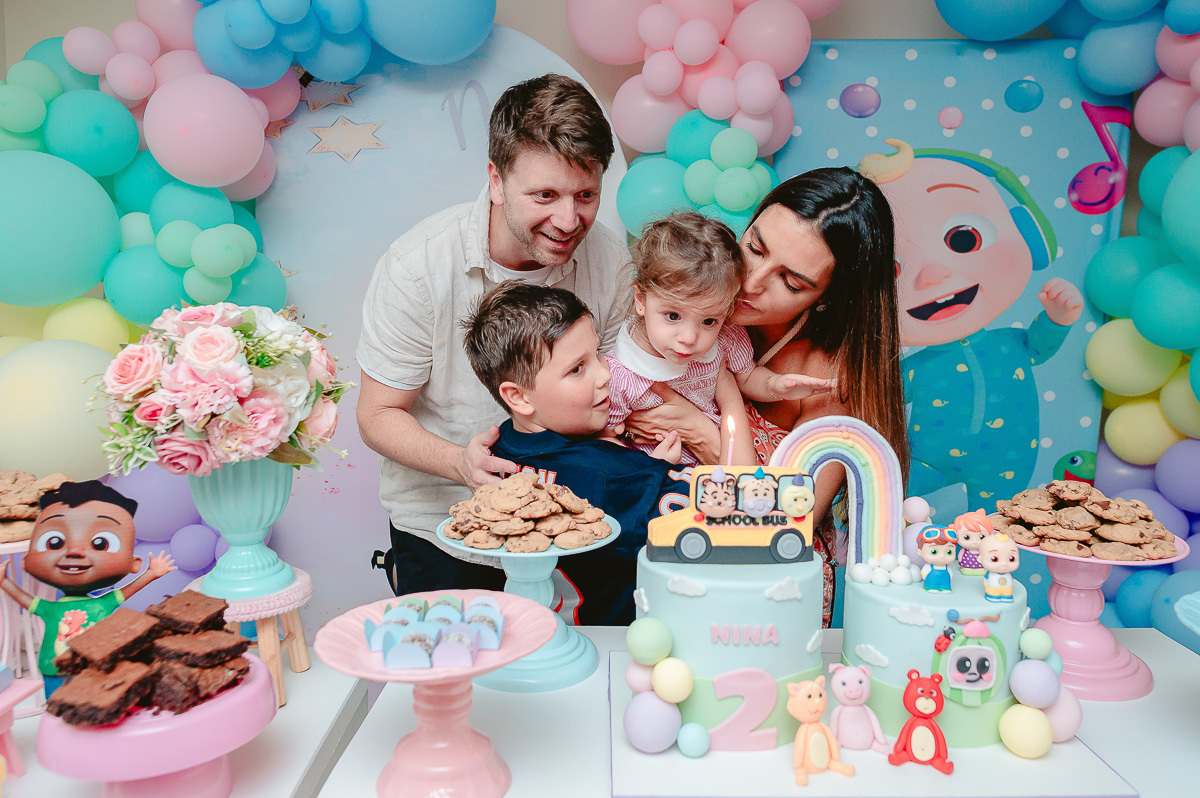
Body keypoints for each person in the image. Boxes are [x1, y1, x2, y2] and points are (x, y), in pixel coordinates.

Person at [356, 74, 629, 596]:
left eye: (586, 195)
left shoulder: (611, 261)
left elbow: (614, 391)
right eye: (545, 195)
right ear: (497, 181)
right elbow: (377, 415)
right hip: (443, 528)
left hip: (573, 525)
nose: (569, 220)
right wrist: (460, 462)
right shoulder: (417, 268)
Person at [620, 167, 911, 625]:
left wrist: (702, 433)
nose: (751, 282)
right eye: (753, 247)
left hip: (764, 594)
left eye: (791, 282)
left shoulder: (832, 378)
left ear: (828, 298)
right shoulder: (699, 308)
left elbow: (791, 519)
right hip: (668, 554)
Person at [460, 281, 722, 625]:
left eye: (598, 354)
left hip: (542, 625)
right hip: (612, 639)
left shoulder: (498, 450)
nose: (605, 373)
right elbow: (718, 514)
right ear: (519, 398)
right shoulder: (615, 473)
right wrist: (652, 469)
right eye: (577, 369)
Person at [859, 139, 1082, 506]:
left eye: (964, 238)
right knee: (884, 501)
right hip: (926, 459)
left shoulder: (1012, 343)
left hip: (1007, 464)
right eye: (890, 270)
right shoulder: (912, 369)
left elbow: (1040, 346)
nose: (931, 276)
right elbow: (879, 394)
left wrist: (1057, 319)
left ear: (1031, 235)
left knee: (998, 535)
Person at [604, 212, 835, 467]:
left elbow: (747, 376)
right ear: (641, 300)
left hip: (723, 465)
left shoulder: (724, 337)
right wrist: (646, 467)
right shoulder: (618, 377)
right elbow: (604, 444)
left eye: (709, 321)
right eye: (672, 316)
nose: (690, 338)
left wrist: (777, 384)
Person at [0, 480, 175, 696]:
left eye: (100, 543)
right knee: (57, 707)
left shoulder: (104, 603)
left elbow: (128, 590)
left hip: (98, 668)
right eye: (54, 542)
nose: (75, 551)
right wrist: (4, 582)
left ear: (134, 563)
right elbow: (26, 601)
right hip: (54, 668)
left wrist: (151, 573)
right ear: (26, 561)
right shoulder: (50, 609)